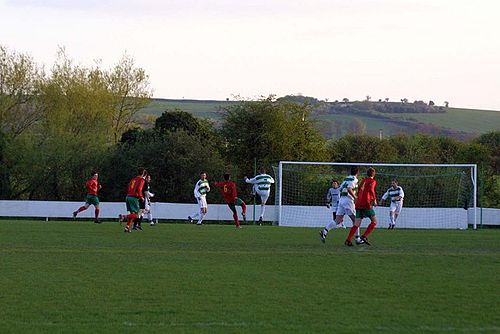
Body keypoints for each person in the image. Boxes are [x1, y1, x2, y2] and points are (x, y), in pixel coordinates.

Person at [320, 167, 360, 242]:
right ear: (357, 172)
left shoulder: (346, 178)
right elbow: (349, 188)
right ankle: (357, 238)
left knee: (337, 220)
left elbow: (340, 188)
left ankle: (324, 231)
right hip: (348, 201)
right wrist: (355, 197)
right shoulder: (354, 179)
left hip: (341, 200)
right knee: (355, 220)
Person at [345, 167, 377, 246]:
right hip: (366, 203)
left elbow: (359, 189)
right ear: (374, 174)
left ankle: (348, 239)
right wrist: (374, 200)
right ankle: (364, 236)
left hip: (358, 203)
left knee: (356, 224)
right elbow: (371, 190)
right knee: (374, 221)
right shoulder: (372, 181)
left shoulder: (363, 180)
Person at [119, 167, 147, 233]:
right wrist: (141, 197)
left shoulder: (133, 179)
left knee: (132, 214)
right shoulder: (141, 180)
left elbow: (129, 186)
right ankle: (123, 216)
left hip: (128, 197)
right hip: (134, 198)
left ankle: (127, 227)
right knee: (137, 215)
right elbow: (139, 189)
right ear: (143, 173)